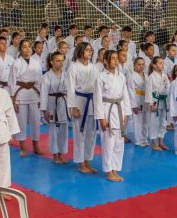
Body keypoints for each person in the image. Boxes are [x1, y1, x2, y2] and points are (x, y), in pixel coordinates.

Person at [94, 50, 132, 182]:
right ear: (105, 61)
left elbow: (125, 95)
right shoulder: (101, 77)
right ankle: (108, 170)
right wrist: (101, 118)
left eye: (117, 58)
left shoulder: (121, 76)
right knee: (108, 142)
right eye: (113, 59)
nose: (116, 61)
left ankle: (115, 168)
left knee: (119, 143)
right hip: (107, 110)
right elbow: (97, 99)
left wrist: (126, 113)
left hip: (119, 109)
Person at [67, 42, 99, 174]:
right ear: (80, 52)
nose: (90, 52)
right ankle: (80, 163)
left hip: (92, 102)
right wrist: (73, 107)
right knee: (80, 134)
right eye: (87, 50)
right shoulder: (73, 68)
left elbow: (98, 87)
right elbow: (70, 89)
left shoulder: (94, 67)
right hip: (79, 102)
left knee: (91, 135)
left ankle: (88, 161)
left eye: (91, 50)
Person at [10, 39, 43, 157]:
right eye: (24, 47)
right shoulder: (16, 63)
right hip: (21, 94)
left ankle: (36, 146)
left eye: (29, 46)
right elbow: (12, 81)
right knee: (21, 121)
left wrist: (41, 97)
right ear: (20, 49)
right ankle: (22, 147)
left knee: (35, 121)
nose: (27, 49)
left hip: (34, 94)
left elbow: (39, 80)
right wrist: (13, 99)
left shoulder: (36, 62)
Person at [40, 51, 69, 164]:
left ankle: (61, 153)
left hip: (63, 103)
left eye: (62, 61)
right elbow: (43, 94)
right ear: (51, 62)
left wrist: (71, 106)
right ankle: (55, 154)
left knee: (64, 130)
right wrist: (44, 110)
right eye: (57, 61)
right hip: (51, 104)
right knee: (53, 130)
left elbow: (70, 92)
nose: (60, 63)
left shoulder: (66, 75)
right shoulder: (46, 77)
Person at [145, 56, 170, 152]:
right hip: (155, 101)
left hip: (164, 101)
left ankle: (161, 142)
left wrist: (168, 102)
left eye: (163, 63)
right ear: (154, 65)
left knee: (163, 122)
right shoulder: (150, 78)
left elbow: (168, 89)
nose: (162, 65)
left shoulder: (165, 76)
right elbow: (148, 91)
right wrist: (150, 104)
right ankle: (154, 143)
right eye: (160, 63)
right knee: (154, 123)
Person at [128, 57, 148, 147]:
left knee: (145, 121)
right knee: (138, 122)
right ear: (134, 65)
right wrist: (133, 105)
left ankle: (144, 138)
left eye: (142, 64)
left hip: (146, 100)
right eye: (139, 64)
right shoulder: (132, 76)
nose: (141, 66)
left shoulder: (146, 75)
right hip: (136, 100)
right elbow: (131, 91)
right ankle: (138, 140)